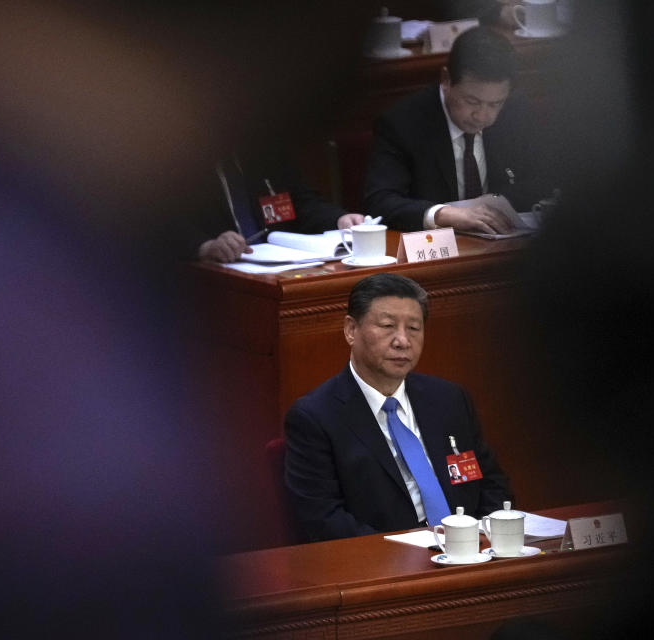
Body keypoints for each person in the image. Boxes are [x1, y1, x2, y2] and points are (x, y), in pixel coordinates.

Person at [283, 273, 511, 542]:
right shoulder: (315, 417)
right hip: (384, 565)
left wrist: (482, 540)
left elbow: (492, 484)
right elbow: (322, 519)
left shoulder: (448, 399)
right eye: (388, 325)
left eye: (413, 328)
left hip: (470, 553)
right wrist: (403, 553)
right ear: (351, 330)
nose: (402, 340)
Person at [362, 26, 548, 235]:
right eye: (472, 101)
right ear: (446, 80)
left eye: (495, 104)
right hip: (436, 250)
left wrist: (498, 201)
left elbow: (544, 179)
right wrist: (443, 215)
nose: (483, 116)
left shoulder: (516, 110)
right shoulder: (403, 123)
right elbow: (380, 201)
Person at [188, 150, 364, 263]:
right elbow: (166, 224)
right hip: (211, 276)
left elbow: (302, 202)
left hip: (280, 268)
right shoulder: (180, 165)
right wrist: (205, 246)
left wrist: (339, 219)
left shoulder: (264, 152)